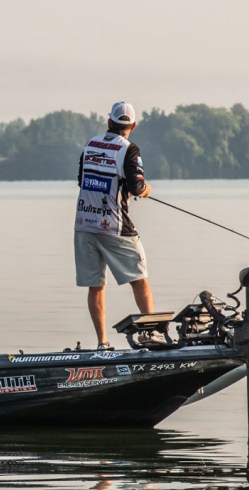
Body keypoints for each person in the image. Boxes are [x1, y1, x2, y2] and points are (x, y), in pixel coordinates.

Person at [74, 101, 158, 349]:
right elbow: (137, 187)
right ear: (133, 125)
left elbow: (81, 180)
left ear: (109, 121)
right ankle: (150, 335)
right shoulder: (129, 149)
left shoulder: (91, 144)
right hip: (115, 225)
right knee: (139, 278)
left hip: (84, 224)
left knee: (95, 286)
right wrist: (146, 190)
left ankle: (102, 342)